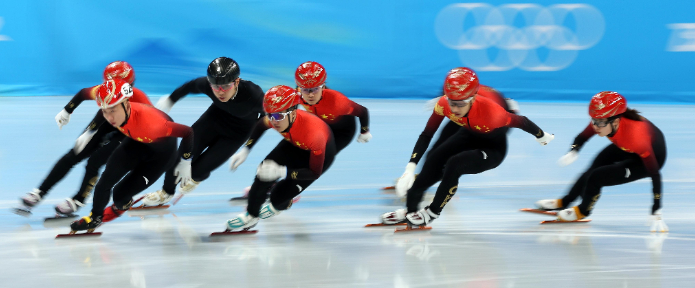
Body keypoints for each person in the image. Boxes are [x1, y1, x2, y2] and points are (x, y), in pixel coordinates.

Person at [381, 67, 554, 227]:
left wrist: (542, 136)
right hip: (469, 132)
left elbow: (522, 121)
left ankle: (432, 212)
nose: (454, 109)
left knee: (455, 164)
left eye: (460, 104)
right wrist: (409, 168)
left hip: (493, 146)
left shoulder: (493, 113)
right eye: (452, 102)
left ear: (472, 99)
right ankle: (410, 211)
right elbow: (426, 135)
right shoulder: (444, 104)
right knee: (434, 159)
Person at [18, 61, 152, 216]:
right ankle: (39, 192)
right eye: (109, 87)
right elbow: (83, 93)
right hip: (106, 121)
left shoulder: (140, 99)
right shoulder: (106, 90)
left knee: (94, 161)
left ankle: (78, 200)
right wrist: (68, 112)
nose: (111, 91)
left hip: (129, 133)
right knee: (74, 154)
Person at [69, 79, 194, 233]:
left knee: (119, 196)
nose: (109, 117)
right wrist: (88, 131)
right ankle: (95, 217)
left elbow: (188, 132)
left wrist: (186, 160)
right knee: (104, 184)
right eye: (105, 111)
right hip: (136, 142)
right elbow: (85, 94)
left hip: (160, 156)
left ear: (127, 104)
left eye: (113, 110)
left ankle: (122, 206)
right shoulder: (112, 108)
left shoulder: (154, 124)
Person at [535, 91, 668, 231]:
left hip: (650, 160)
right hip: (626, 146)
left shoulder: (636, 137)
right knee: (594, 165)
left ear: (615, 121)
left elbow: (655, 174)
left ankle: (582, 211)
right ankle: (565, 201)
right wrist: (574, 150)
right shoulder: (603, 119)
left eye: (600, 122)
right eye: (593, 120)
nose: (595, 126)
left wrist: (656, 208)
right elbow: (581, 137)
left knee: (597, 177)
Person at [140, 57, 264, 206]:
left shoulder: (254, 95)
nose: (220, 92)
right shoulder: (206, 84)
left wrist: (248, 147)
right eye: (215, 87)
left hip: (236, 135)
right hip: (212, 120)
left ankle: (197, 178)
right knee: (180, 159)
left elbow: (267, 118)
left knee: (197, 171)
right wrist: (170, 100)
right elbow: (189, 86)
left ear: (236, 82)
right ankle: (166, 193)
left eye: (225, 86)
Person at [225, 85, 336, 232]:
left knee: (278, 198)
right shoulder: (278, 116)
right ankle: (251, 216)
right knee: (264, 171)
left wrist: (283, 172)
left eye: (278, 116)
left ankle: (284, 202)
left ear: (293, 113)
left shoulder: (315, 135)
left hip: (317, 156)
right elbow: (260, 125)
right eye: (270, 115)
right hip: (295, 143)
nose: (273, 121)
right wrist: (246, 149)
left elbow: (314, 172)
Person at [230, 61, 370, 172]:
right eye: (305, 89)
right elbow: (264, 122)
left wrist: (364, 131)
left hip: (342, 132)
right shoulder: (295, 95)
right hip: (318, 122)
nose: (309, 95)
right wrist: (246, 148)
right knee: (288, 147)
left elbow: (362, 111)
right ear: (298, 87)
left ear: (323, 86)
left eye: (314, 89)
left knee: (310, 158)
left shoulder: (338, 102)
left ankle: (288, 189)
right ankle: (267, 182)